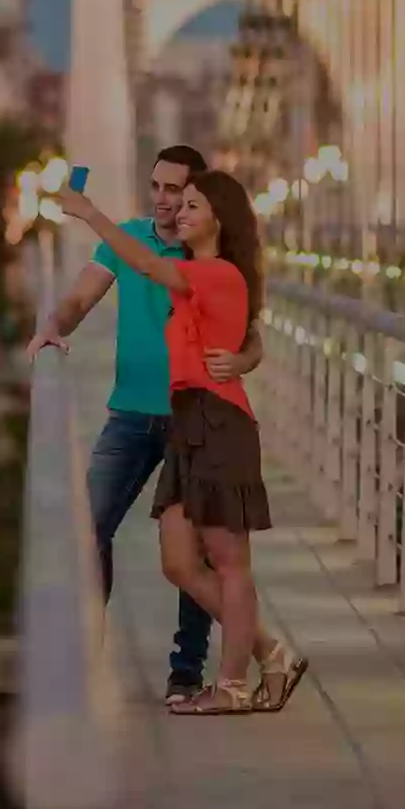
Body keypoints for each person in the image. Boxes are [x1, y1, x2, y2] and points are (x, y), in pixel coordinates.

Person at [55, 166, 308, 716]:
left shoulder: (217, 273)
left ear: (218, 217)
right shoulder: (200, 274)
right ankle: (272, 652)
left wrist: (89, 212)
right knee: (177, 561)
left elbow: (145, 263)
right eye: (178, 202)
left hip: (219, 424)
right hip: (188, 423)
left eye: (192, 204)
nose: (179, 212)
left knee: (229, 561)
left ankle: (233, 686)